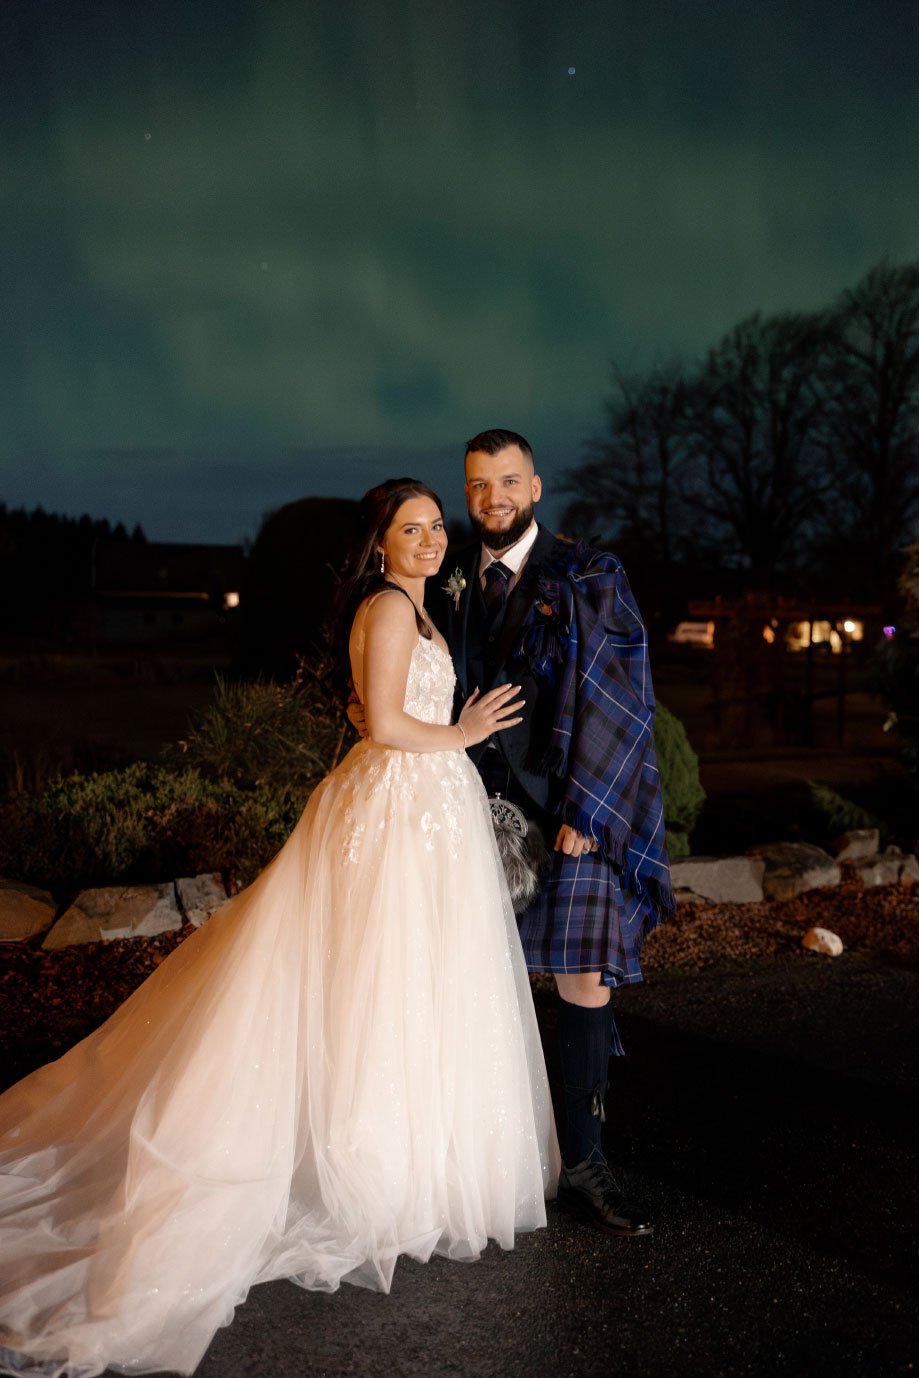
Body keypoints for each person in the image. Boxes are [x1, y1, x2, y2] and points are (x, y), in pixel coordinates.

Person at [0, 478, 559, 1378]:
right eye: (406, 529)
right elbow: (381, 723)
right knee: (370, 984)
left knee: (424, 985)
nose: (426, 540)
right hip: (394, 813)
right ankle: (366, 1165)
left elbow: (371, 711)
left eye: (432, 527)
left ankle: (416, 1162)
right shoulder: (385, 610)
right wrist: (458, 732)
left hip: (428, 813)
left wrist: (443, 736)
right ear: (377, 544)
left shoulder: (417, 616)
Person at [434, 430, 673, 1236]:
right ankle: (468, 1159)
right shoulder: (446, 580)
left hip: (566, 814)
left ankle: (585, 1165)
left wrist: (588, 809)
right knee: (460, 986)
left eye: (506, 482)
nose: (491, 498)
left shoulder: (590, 575)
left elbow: (622, 699)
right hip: (464, 810)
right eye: (476, 485)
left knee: (582, 984)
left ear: (535, 487)